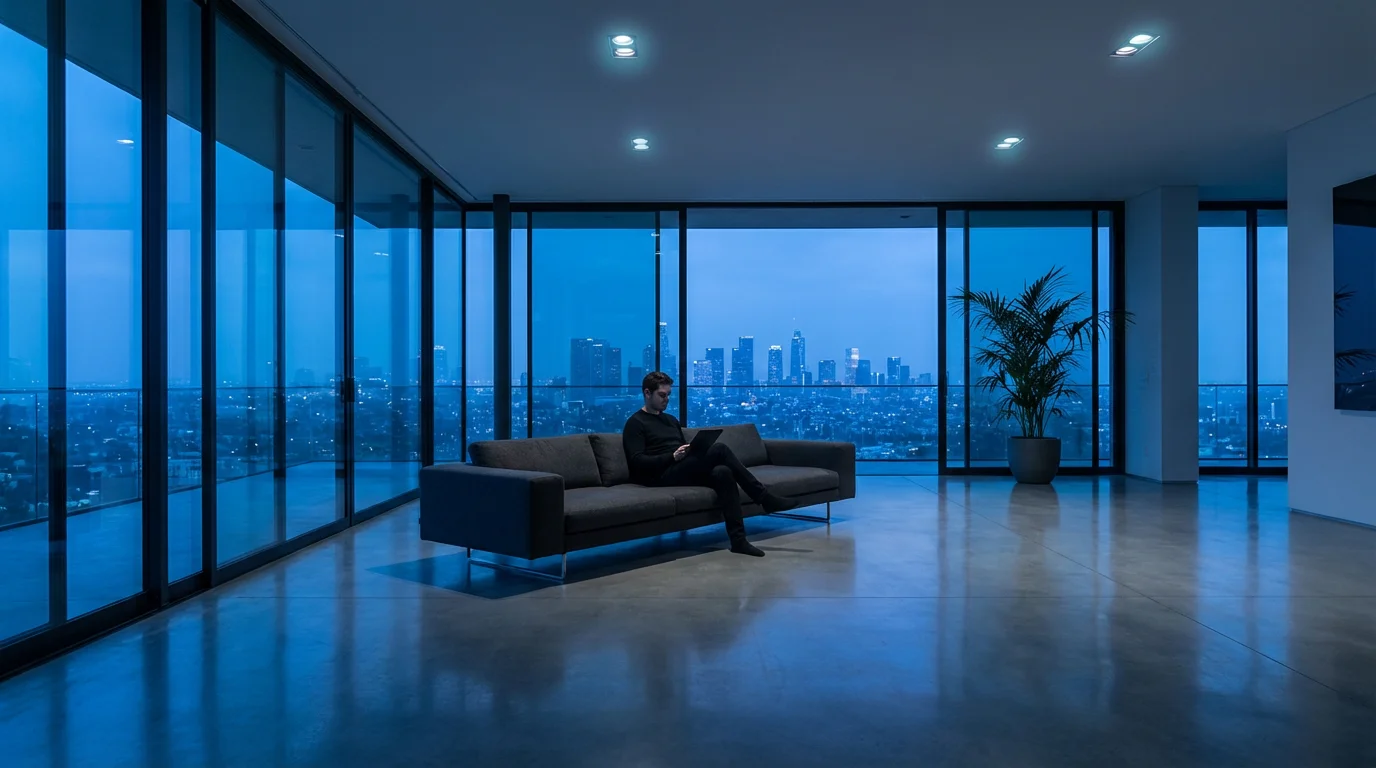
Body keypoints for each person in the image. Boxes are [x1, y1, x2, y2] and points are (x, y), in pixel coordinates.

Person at [622, 371, 798, 557]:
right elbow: (637, 462)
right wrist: (671, 457)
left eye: (669, 395)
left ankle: (738, 541)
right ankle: (764, 498)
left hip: (681, 468)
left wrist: (689, 451)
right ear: (647, 393)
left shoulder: (671, 420)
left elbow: (681, 447)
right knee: (719, 449)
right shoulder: (635, 423)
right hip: (661, 474)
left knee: (723, 472)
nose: (666, 400)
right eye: (662, 395)